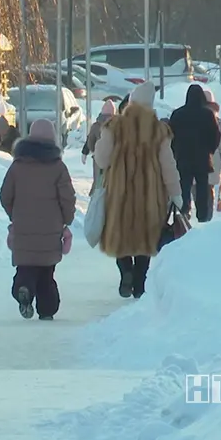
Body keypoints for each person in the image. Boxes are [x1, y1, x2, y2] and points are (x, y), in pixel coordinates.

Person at [93, 81, 183, 298]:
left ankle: (125, 271)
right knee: (146, 240)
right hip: (150, 196)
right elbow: (168, 165)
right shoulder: (159, 131)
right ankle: (140, 284)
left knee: (121, 236)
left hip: (119, 194)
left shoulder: (113, 127)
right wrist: (176, 193)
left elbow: (102, 160)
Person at [0, 119, 76, 319]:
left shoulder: (17, 166)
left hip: (23, 228)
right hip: (51, 230)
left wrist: (15, 214)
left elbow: (5, 195)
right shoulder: (58, 167)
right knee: (46, 273)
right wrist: (66, 219)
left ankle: (23, 287)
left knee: (25, 267)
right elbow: (67, 197)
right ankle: (47, 309)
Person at [168, 84, 221, 223]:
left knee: (184, 186)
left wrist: (175, 151)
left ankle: (184, 213)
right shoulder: (207, 114)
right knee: (202, 188)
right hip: (202, 159)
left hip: (183, 158)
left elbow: (170, 136)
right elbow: (216, 135)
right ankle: (203, 215)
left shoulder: (178, 114)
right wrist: (210, 150)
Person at [203, 89, 221, 221]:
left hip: (195, 166)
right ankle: (207, 217)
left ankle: (200, 217)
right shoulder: (218, 123)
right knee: (209, 192)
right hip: (214, 165)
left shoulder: (193, 121)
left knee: (196, 191)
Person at [82, 100, 117, 195]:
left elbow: (90, 141)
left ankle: (95, 197)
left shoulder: (96, 126)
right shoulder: (117, 126)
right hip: (114, 159)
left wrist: (89, 151)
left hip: (98, 158)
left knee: (98, 180)